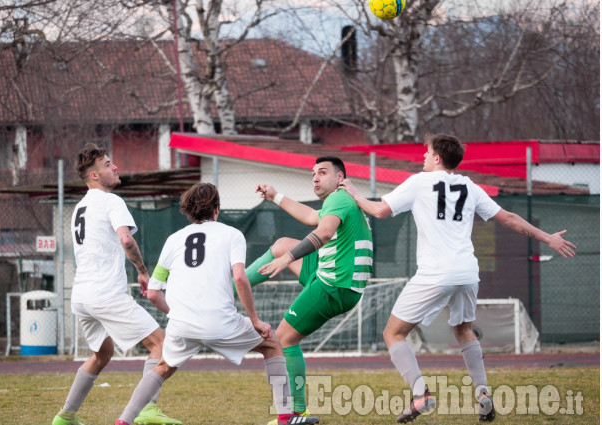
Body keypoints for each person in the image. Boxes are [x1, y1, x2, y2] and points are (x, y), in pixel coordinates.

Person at [339, 133, 576, 423]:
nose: (422, 158)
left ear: (437, 158)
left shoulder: (419, 182)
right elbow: (509, 218)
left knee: (393, 333)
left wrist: (353, 191)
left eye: (426, 153)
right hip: (467, 273)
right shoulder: (469, 186)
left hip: (436, 273)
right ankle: (483, 393)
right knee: (464, 331)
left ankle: (420, 394)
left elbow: (379, 210)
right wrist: (547, 238)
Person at [113, 182, 320, 425]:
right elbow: (240, 278)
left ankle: (123, 421)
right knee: (272, 345)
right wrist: (254, 320)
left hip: (183, 325)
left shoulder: (173, 239)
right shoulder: (232, 235)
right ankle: (286, 417)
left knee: (163, 367)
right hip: (220, 322)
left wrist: (179, 313)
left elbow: (153, 294)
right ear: (217, 209)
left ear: (189, 211)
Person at [53, 143, 181, 425]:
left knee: (102, 354)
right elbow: (126, 239)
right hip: (105, 293)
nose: (115, 167)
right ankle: (147, 410)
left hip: (82, 295)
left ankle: (65, 416)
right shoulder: (111, 201)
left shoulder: (79, 208)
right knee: (162, 344)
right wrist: (142, 271)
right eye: (108, 164)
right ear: (95, 176)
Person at [239, 156, 374, 422]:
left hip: (334, 284)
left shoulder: (339, 198)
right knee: (281, 244)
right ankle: (232, 287)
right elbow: (312, 217)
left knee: (284, 339)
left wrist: (287, 260)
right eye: (313, 173)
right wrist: (276, 196)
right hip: (333, 276)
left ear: (340, 178)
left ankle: (297, 412)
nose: (315, 177)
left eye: (322, 172)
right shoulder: (339, 201)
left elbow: (323, 234)